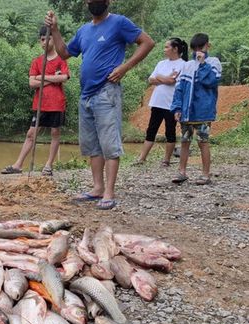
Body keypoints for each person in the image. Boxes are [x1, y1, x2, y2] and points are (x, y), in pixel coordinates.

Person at [45, 0, 154, 209]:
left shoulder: (119, 22)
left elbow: (147, 42)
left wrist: (125, 67)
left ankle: (109, 193)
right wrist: (55, 30)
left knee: (109, 143)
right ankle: (97, 188)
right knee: (92, 144)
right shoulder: (84, 30)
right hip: (86, 94)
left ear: (108, 1)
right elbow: (65, 53)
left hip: (107, 91)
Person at [1, 26, 70, 177]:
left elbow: (64, 78)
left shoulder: (60, 59)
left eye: (48, 38)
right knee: (31, 134)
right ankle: (18, 164)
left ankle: (48, 165)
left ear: (54, 39)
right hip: (40, 104)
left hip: (57, 103)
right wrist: (53, 79)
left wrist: (41, 77)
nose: (45, 42)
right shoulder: (37, 61)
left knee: (55, 133)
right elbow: (31, 83)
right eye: (42, 39)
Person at [170, 33, 221, 185]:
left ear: (208, 46)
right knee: (184, 141)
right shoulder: (187, 65)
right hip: (187, 112)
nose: (198, 51)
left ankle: (205, 175)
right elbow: (179, 88)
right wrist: (177, 108)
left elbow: (211, 82)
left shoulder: (214, 62)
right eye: (195, 48)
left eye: (201, 47)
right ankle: (181, 172)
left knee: (202, 141)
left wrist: (203, 64)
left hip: (203, 111)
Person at [135, 38, 188, 167]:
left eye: (166, 47)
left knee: (170, 131)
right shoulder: (161, 63)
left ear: (175, 49)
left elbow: (172, 81)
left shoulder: (183, 65)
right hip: (157, 102)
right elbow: (151, 79)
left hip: (171, 103)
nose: (164, 50)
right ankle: (142, 158)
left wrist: (159, 77)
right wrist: (165, 78)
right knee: (151, 130)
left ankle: (166, 160)